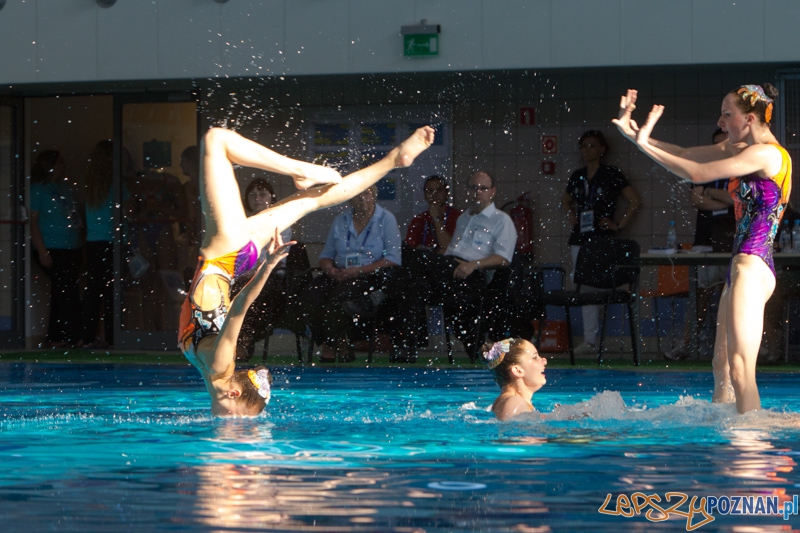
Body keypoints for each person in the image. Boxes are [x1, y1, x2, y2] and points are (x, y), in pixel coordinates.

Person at [179, 125, 434, 416]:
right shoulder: (218, 365)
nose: (229, 424)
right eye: (238, 418)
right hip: (225, 253)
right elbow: (239, 308)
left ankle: (392, 160)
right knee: (215, 139)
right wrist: (268, 266)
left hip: (231, 257)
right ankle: (305, 170)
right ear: (234, 393)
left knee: (315, 199)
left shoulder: (212, 371)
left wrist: (267, 264)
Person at [613, 85, 791, 414]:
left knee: (740, 371)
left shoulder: (766, 154)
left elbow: (696, 174)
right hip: (742, 268)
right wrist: (637, 137)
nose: (721, 121)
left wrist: (643, 145)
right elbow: (687, 154)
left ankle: (750, 445)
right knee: (721, 366)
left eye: (727, 114)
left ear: (749, 119)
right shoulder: (739, 148)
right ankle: (724, 436)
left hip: (753, 267)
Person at [410, 170, 517, 361]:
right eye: (474, 188)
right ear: (468, 191)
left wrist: (473, 265)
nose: (478, 192)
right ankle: (410, 340)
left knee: (414, 259)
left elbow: (504, 258)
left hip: (475, 276)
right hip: (451, 270)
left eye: (483, 188)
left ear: (493, 191)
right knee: (408, 279)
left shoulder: (501, 220)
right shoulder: (464, 218)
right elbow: (451, 250)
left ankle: (413, 340)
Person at [297, 184, 402, 363]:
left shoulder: (386, 219)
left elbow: (393, 259)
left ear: (375, 195)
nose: (362, 198)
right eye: (357, 193)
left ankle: (331, 346)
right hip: (339, 273)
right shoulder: (341, 220)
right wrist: (330, 270)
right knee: (311, 294)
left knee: (338, 297)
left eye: (366, 193)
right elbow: (325, 256)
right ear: (350, 197)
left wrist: (359, 270)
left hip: (369, 275)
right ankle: (338, 340)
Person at [562, 130, 642, 355]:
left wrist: (619, 224)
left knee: (598, 286)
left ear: (602, 149)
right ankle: (589, 340)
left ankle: (596, 338)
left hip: (603, 238)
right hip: (580, 237)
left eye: (592, 146)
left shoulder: (612, 174)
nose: (587, 150)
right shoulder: (577, 175)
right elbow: (566, 199)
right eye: (584, 146)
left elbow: (635, 200)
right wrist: (571, 214)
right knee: (584, 287)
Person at [664, 128, 735, 361]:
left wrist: (713, 194)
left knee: (734, 297)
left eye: (723, 144)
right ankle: (686, 344)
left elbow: (738, 199)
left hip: (733, 244)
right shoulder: (705, 171)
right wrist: (725, 203)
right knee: (701, 295)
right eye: (715, 144)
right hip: (705, 243)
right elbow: (696, 199)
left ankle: (736, 349)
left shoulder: (742, 171)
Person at [232, 178, 294, 361]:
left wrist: (256, 271)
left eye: (262, 194)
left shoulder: (280, 224)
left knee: (253, 292)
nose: (257, 198)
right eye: (252, 194)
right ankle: (227, 341)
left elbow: (277, 257)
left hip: (271, 277)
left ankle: (245, 340)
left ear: (271, 198)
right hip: (244, 276)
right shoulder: (241, 224)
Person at [29, 150, 84, 348]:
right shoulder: (38, 190)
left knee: (65, 289)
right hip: (52, 246)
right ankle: (72, 335)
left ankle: (58, 336)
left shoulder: (64, 188)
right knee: (65, 289)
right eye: (60, 163)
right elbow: (33, 221)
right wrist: (42, 251)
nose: (64, 166)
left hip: (72, 246)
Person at [81, 140, 131, 349]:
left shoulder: (91, 187)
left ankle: (88, 335)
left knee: (93, 292)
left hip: (94, 242)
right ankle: (113, 336)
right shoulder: (118, 186)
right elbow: (127, 212)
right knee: (113, 292)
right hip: (115, 243)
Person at [481, 338, 547, 421]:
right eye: (534, 357)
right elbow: (510, 431)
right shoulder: (515, 402)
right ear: (517, 371)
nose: (544, 361)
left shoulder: (511, 402)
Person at [404, 175, 461, 252]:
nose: (434, 194)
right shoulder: (418, 220)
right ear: (425, 195)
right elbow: (408, 251)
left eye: (439, 190)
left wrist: (436, 218)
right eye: (430, 191)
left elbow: (451, 249)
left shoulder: (458, 217)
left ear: (447, 193)